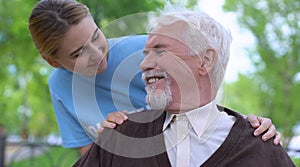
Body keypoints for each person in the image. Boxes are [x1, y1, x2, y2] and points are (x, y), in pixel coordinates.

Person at [28, 0, 280, 155]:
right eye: (78, 53)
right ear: (53, 61)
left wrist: (247, 128)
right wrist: (109, 138)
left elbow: (202, 101)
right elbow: (89, 156)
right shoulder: (60, 88)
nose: (97, 54)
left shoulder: (144, 50)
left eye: (95, 36)